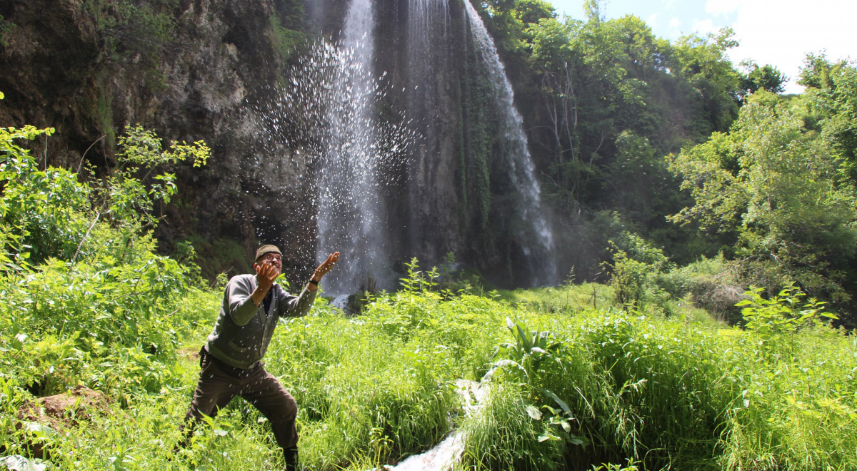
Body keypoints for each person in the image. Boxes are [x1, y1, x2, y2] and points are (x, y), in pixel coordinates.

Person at [180, 245, 340, 471]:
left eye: (278, 259)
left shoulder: (276, 291)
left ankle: (292, 466)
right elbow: (238, 316)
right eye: (269, 259)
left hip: (252, 370)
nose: (275, 262)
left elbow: (297, 310)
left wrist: (315, 279)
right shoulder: (240, 283)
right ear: (257, 266)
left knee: (286, 406)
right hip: (220, 367)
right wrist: (261, 289)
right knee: (196, 420)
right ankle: (174, 462)